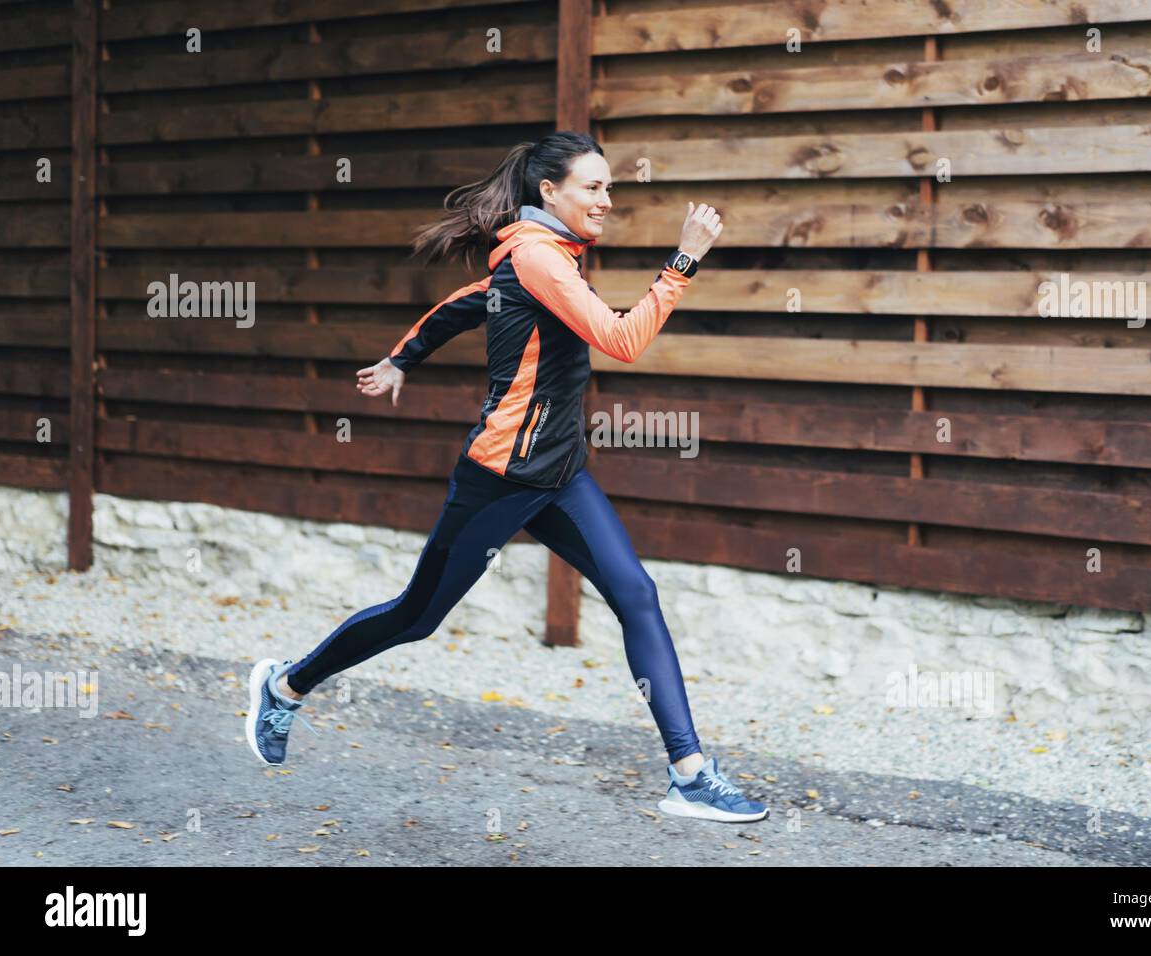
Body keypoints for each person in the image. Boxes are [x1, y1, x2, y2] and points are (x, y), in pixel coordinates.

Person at [246, 131, 767, 823]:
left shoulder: (540, 256)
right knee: (416, 617)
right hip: (501, 476)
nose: (607, 200)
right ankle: (286, 686)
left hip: (558, 474)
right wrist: (684, 260)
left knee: (637, 595)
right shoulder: (539, 257)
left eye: (610, 187)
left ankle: (691, 774)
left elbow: (467, 300)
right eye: (593, 187)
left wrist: (404, 357)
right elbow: (623, 339)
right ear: (549, 192)